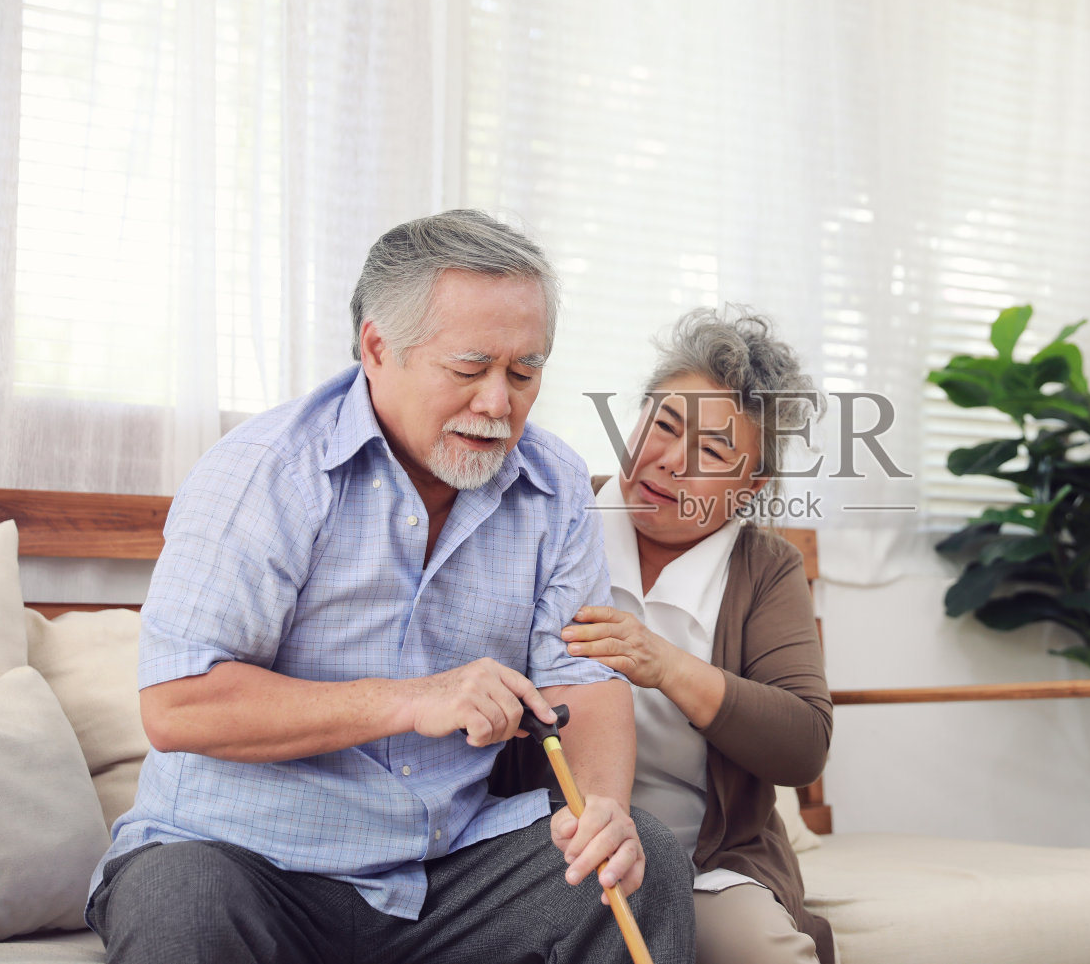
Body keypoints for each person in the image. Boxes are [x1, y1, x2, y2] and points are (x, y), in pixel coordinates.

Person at [85, 209, 695, 964]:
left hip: (443, 873)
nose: (499, 404)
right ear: (378, 347)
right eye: (470, 369)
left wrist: (601, 807)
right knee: (185, 904)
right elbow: (178, 705)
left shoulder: (556, 482)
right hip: (241, 858)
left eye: (525, 371)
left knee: (643, 867)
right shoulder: (266, 471)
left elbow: (586, 677)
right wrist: (412, 698)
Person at [562, 307, 836, 964]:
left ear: (752, 487)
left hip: (710, 863)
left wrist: (666, 665)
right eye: (664, 424)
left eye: (712, 451)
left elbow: (803, 744)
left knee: (764, 951)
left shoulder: (766, 568)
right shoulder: (558, 517)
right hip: (562, 848)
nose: (668, 462)